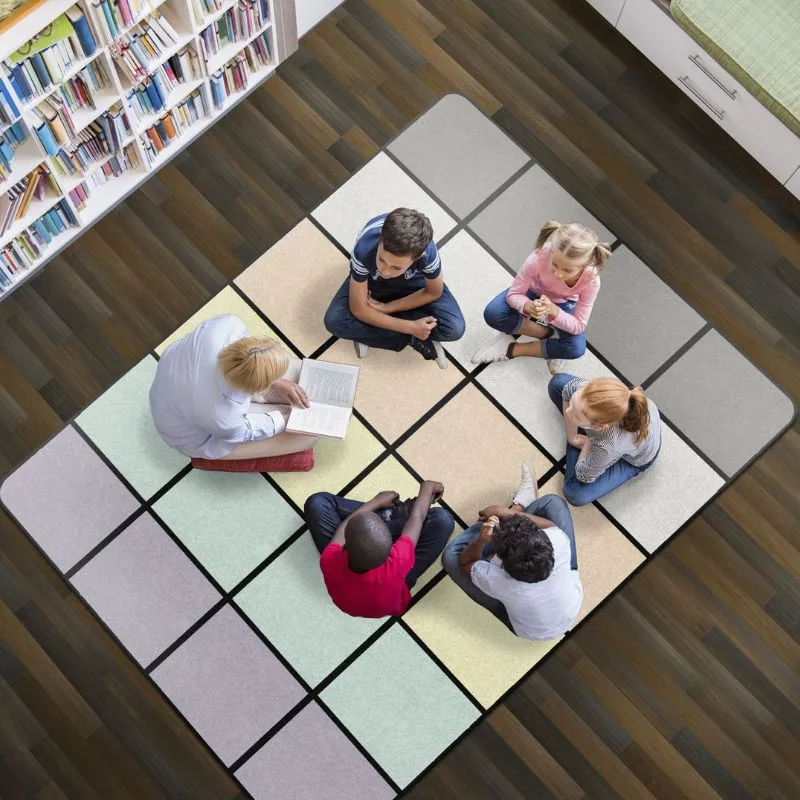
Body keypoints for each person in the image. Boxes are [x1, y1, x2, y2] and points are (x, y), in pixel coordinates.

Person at [442, 464, 583, 640]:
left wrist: (482, 539)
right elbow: (551, 526)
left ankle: (513, 512)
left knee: (451, 556)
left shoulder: (499, 582)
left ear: (501, 563)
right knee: (553, 502)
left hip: (528, 630)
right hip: (571, 608)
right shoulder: (557, 541)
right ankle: (514, 512)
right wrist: (502, 511)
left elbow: (465, 563)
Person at [149, 314, 317, 460]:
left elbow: (249, 362)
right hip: (196, 433)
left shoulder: (228, 326)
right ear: (256, 386)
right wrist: (285, 419)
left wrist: (276, 381)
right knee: (307, 438)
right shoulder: (225, 420)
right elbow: (244, 430)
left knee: (299, 373)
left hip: (178, 381)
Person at [323, 208, 465, 370]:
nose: (385, 271)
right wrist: (411, 328)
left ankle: (373, 327)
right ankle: (413, 338)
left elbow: (433, 291)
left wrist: (386, 308)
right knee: (335, 321)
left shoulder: (427, 253)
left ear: (418, 257)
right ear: (381, 241)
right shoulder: (364, 248)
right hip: (372, 283)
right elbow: (359, 309)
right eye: (381, 260)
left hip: (414, 285)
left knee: (454, 328)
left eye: (396, 267)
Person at [471, 220, 611, 374]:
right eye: (555, 264)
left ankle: (512, 349)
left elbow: (579, 325)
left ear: (586, 265)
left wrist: (554, 312)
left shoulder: (592, 280)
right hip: (532, 292)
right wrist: (526, 305)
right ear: (551, 251)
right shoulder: (539, 256)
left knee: (576, 348)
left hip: (564, 304)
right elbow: (515, 294)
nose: (558, 274)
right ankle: (548, 334)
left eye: (568, 270)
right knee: (493, 313)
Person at [305, 480, 453, 618]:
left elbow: (346, 527)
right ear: (391, 551)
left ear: (345, 545)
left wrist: (376, 501)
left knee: (317, 503)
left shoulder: (330, 560)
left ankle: (386, 517)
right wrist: (427, 487)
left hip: (357, 594)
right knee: (443, 520)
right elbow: (418, 516)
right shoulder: (397, 561)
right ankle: (391, 519)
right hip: (399, 583)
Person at [549, 374, 661, 506]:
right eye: (573, 404)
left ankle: (589, 444)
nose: (568, 412)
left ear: (599, 426)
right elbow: (568, 391)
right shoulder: (583, 389)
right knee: (557, 383)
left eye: (576, 415)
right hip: (608, 437)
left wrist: (589, 442)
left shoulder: (608, 446)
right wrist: (572, 437)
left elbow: (583, 475)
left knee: (574, 493)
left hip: (635, 459)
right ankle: (583, 432)